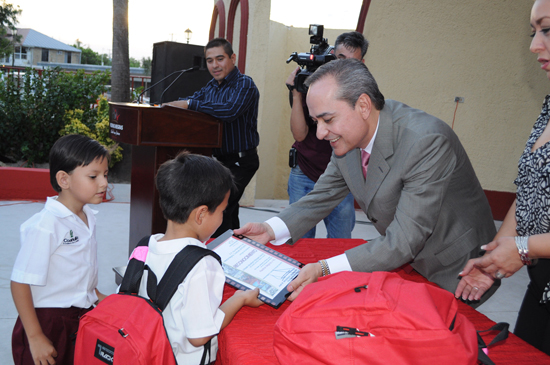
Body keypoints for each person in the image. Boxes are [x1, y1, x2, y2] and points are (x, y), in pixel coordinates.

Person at [235, 58, 498, 304]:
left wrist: (325, 268)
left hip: (457, 268)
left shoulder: (425, 141)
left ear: (363, 105)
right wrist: (269, 230)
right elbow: (320, 197)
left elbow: (404, 240)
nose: (321, 133)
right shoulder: (348, 138)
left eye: (328, 119)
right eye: (316, 121)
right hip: (409, 259)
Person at [455, 0, 550, 354]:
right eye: (533, 32)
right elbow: (529, 192)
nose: (534, 45)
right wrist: (495, 255)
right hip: (541, 282)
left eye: (547, 29)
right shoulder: (548, 106)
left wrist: (524, 248)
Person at [128, 151, 263, 364]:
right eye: (222, 211)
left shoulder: (144, 245)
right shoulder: (202, 264)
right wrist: (240, 299)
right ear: (200, 214)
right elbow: (199, 335)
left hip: (143, 353)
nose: (222, 217)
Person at [11, 134, 110, 365]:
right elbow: (19, 282)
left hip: (78, 318)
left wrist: (100, 298)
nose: (104, 183)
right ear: (64, 180)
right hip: (47, 321)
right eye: (93, 176)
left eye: (105, 175)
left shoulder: (87, 218)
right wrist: (35, 337)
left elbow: (77, 274)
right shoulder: (47, 225)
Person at [166, 38, 260, 238]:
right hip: (219, 162)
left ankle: (220, 254)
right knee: (229, 212)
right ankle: (234, 251)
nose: (215, 65)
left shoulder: (244, 85)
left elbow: (228, 111)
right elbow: (192, 102)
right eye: (210, 61)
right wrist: (171, 106)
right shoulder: (211, 86)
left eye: (220, 59)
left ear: (232, 58)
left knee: (220, 209)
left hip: (241, 161)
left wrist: (189, 104)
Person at [285, 31, 368, 239]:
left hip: (341, 177)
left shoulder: (365, 92)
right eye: (340, 59)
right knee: (299, 242)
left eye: (352, 61)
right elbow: (300, 134)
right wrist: (296, 94)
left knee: (339, 244)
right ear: (332, 55)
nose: (344, 67)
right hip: (304, 171)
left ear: (362, 62)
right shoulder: (314, 84)